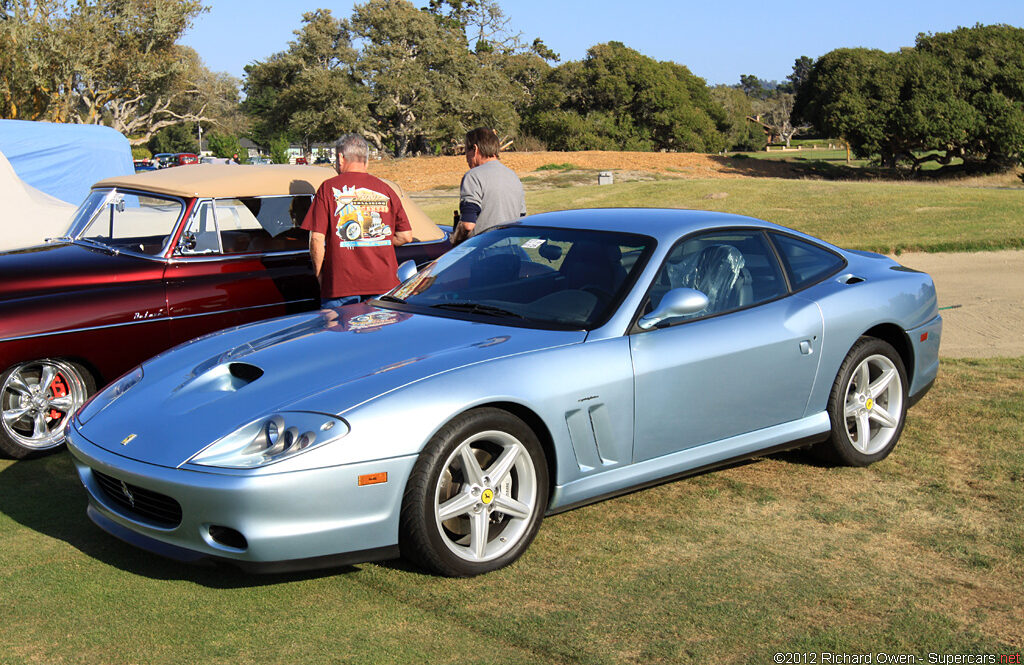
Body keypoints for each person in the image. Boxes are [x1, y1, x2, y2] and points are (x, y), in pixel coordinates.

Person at [302, 134, 412, 307]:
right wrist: (375, 239)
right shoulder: (386, 189)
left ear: (340, 158)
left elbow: (316, 239)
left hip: (340, 285)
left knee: (339, 333)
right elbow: (406, 236)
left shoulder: (328, 188)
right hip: (383, 283)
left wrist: (320, 276)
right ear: (366, 161)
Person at [450, 128, 526, 245]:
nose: (466, 159)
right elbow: (521, 217)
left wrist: (455, 241)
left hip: (484, 251)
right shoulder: (513, 176)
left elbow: (468, 224)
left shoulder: (473, 176)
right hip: (512, 250)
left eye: (466, 151)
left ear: (475, 149)